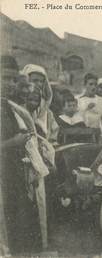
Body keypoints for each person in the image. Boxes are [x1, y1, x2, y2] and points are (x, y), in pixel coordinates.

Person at [1, 55, 49, 254]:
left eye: (13, 79)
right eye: (5, 78)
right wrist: (14, 142)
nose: (10, 84)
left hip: (12, 173)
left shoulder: (8, 106)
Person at [21, 64, 54, 139]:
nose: (39, 84)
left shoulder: (44, 104)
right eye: (35, 80)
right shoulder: (19, 100)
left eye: (41, 81)